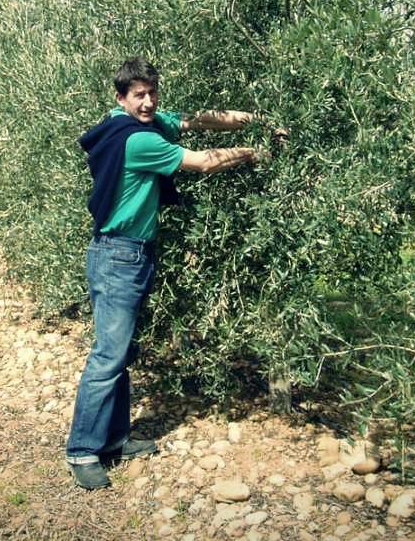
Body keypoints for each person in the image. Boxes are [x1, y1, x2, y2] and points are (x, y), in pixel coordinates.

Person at [65, 57, 266, 490]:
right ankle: (82, 450)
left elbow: (198, 122)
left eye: (153, 92)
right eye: (139, 94)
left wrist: (256, 116)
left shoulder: (137, 124)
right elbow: (205, 161)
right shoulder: (138, 141)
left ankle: (114, 440)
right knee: (108, 356)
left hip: (127, 254)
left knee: (120, 353)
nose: (149, 101)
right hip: (119, 256)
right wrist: (255, 152)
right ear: (120, 98)